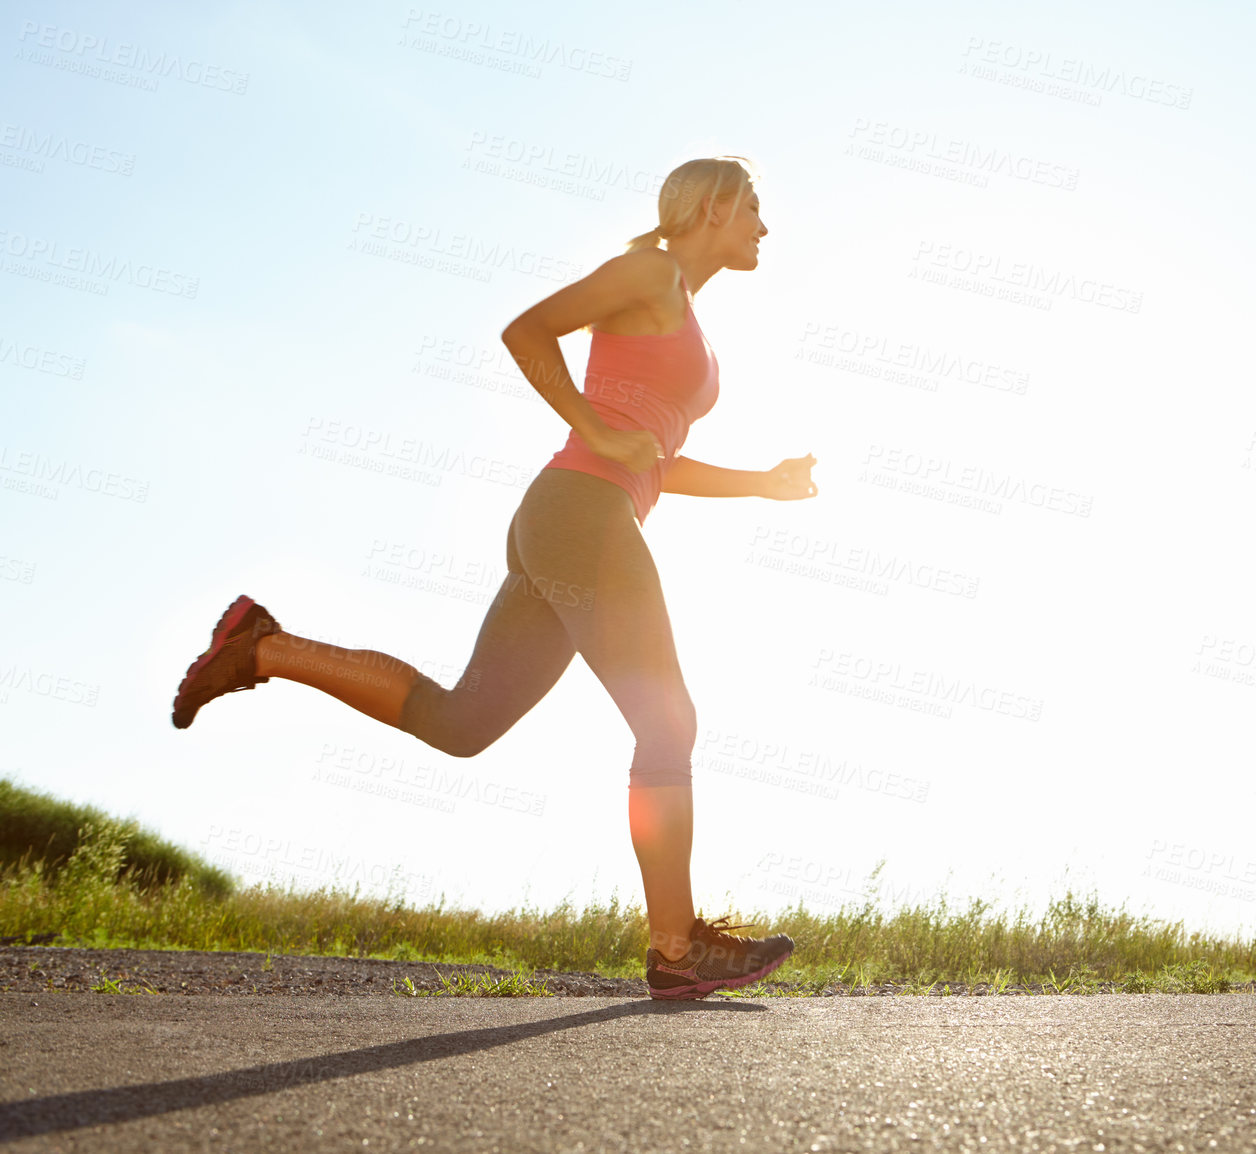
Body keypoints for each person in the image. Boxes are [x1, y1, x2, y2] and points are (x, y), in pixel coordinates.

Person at [171, 156, 815, 1000]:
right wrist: (589, 422)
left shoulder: (680, 309)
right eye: (753, 209)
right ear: (712, 208)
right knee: (668, 720)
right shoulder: (648, 270)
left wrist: (760, 482)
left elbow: (658, 455)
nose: (763, 227)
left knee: (463, 721)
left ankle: (264, 648)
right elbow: (527, 331)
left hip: (576, 521)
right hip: (579, 514)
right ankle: (676, 948)